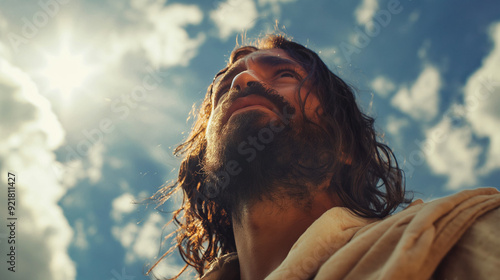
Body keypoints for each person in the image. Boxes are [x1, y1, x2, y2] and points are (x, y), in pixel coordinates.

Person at [148, 34, 500, 280]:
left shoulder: (466, 233)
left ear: (344, 143)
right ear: (203, 165)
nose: (242, 79)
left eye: (284, 74)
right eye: (225, 86)